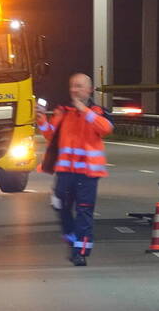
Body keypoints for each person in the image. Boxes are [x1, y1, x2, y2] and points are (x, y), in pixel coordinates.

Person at [37, 73, 113, 266]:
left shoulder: (97, 112)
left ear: (89, 89)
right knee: (60, 207)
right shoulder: (63, 112)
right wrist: (41, 121)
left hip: (88, 174)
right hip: (65, 172)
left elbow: (105, 129)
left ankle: (80, 251)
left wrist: (84, 110)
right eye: (72, 86)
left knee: (84, 212)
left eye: (79, 86)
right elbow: (50, 136)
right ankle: (72, 238)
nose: (75, 90)